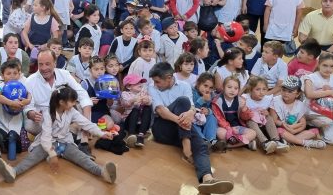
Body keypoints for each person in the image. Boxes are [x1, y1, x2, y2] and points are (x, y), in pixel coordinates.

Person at [0, 85, 117, 184]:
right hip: (48, 143)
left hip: (65, 141)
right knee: (32, 158)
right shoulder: (48, 113)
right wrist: (52, 153)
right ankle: (14, 171)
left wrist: (101, 133)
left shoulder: (71, 111)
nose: (75, 103)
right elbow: (46, 137)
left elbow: (86, 123)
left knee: (82, 158)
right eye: (72, 101)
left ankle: (102, 172)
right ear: (61, 102)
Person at [148, 62, 234, 194]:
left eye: (158, 81)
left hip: (181, 130)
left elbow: (192, 107)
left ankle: (207, 178)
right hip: (162, 129)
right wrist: (183, 121)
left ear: (169, 78)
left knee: (201, 143)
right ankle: (187, 150)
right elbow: (161, 111)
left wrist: (190, 113)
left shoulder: (184, 86)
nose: (155, 84)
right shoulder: (152, 88)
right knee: (183, 102)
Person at [23, 50, 94, 152]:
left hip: (65, 116)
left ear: (55, 63)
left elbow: (82, 94)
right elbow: (28, 108)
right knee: (29, 125)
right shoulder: (30, 81)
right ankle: (69, 137)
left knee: (84, 107)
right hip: (44, 120)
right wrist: (32, 114)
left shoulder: (64, 74)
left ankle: (83, 143)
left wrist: (87, 122)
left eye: (48, 64)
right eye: (40, 64)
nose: (44, 68)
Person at [269, 76, 327, 149]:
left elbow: (303, 124)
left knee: (314, 131)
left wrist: (294, 130)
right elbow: (273, 120)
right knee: (279, 131)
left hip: (294, 131)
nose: (286, 93)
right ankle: (305, 142)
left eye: (290, 91)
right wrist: (283, 125)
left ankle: (288, 141)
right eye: (283, 90)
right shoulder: (275, 101)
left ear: (297, 94)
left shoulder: (300, 105)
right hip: (282, 129)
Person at [298, 0, 333, 67]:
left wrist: (325, 52)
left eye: (331, 1)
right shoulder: (311, 16)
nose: (328, 3)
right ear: (321, 3)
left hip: (329, 46)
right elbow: (302, 36)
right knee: (298, 56)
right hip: (311, 44)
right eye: (325, 1)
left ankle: (323, 72)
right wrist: (311, 49)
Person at [302, 53, 333, 145]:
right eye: (325, 65)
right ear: (318, 64)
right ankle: (307, 123)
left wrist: (323, 93)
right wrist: (329, 92)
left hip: (328, 113)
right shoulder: (310, 77)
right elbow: (309, 94)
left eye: (332, 66)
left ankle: (316, 129)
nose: (328, 69)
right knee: (325, 121)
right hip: (310, 111)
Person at [241, 76, 287, 154]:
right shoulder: (245, 98)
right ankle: (264, 142)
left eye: (264, 89)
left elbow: (271, 112)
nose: (261, 92)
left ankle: (276, 140)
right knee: (250, 120)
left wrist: (267, 112)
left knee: (269, 117)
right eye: (258, 89)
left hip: (262, 122)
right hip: (249, 124)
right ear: (251, 90)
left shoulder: (268, 99)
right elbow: (241, 116)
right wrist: (246, 113)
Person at [119, 74, 152, 147]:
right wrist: (133, 100)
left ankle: (141, 135)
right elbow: (125, 104)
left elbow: (150, 101)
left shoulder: (143, 93)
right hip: (129, 123)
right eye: (137, 83)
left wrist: (147, 100)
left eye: (141, 82)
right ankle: (131, 135)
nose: (140, 84)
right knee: (135, 109)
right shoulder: (125, 94)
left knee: (147, 108)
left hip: (141, 124)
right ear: (128, 86)